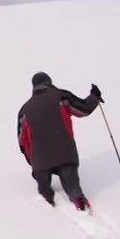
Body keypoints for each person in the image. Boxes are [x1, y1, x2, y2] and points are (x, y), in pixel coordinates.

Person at [16, 72, 103, 211]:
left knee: (44, 191)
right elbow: (83, 109)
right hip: (65, 152)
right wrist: (95, 96)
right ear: (49, 82)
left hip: (40, 158)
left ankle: (49, 204)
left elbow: (22, 141)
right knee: (74, 189)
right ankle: (80, 203)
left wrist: (33, 162)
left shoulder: (25, 110)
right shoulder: (62, 96)